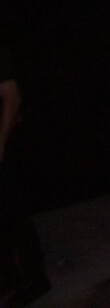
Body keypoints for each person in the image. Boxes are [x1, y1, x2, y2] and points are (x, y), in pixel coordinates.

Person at [0, 48, 51, 307]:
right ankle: (9, 279)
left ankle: (34, 280)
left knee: (13, 213)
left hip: (4, 144)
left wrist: (0, 142)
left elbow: (12, 93)